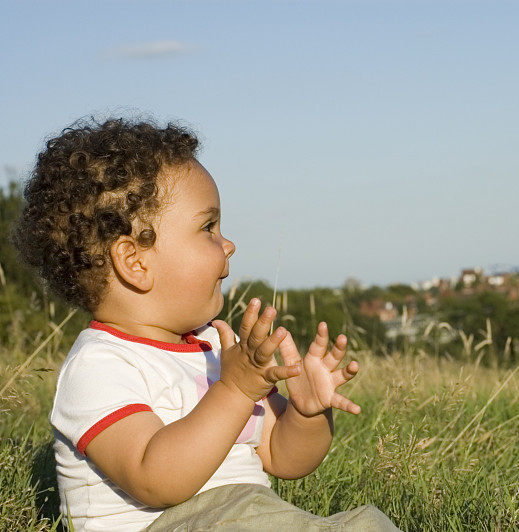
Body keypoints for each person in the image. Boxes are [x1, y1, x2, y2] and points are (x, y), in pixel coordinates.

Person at [11, 117, 401, 531]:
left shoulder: (214, 350)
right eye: (207, 227)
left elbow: (283, 457)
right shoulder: (99, 366)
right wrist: (234, 390)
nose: (228, 243)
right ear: (135, 262)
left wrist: (305, 415)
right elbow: (154, 479)